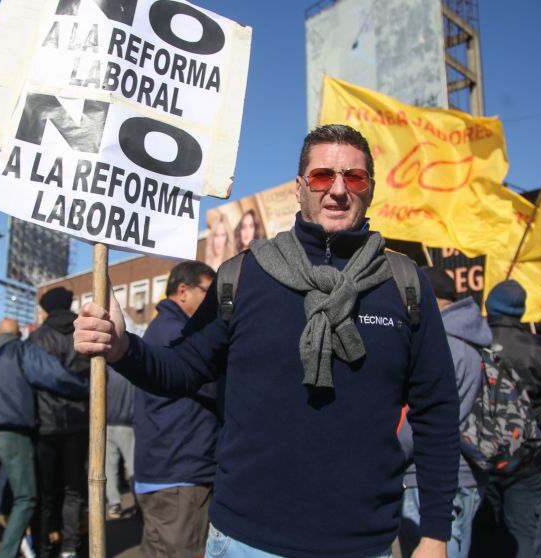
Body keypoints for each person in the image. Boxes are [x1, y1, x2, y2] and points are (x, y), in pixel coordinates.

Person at [74, 124, 459, 558]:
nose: (337, 190)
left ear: (369, 189)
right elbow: (181, 370)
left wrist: (435, 533)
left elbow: (437, 412)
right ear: (299, 188)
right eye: (321, 176)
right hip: (244, 541)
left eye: (354, 177)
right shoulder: (243, 275)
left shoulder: (404, 283)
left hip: (363, 544)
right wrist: (123, 349)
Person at [0, 318, 88, 558]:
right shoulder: (21, 350)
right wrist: (85, 386)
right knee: (26, 497)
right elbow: (54, 375)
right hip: (13, 431)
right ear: (17, 334)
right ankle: (7, 553)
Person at [399, 267, 489, 558]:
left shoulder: (444, 341)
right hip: (467, 473)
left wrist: (390, 453)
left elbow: (426, 415)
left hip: (427, 475)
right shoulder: (470, 338)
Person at [134, 260, 218, 558]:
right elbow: (214, 387)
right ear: (183, 291)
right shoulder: (180, 336)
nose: (214, 301)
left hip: (163, 470)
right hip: (181, 471)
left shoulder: (161, 329)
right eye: (208, 292)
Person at [471, 279, 541, 558]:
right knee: (524, 533)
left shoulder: (471, 341)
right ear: (521, 311)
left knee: (483, 532)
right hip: (529, 454)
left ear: (489, 306)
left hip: (480, 449)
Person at [28, 288, 92, 558]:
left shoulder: (38, 338)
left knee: (45, 492)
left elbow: (33, 378)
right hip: (79, 422)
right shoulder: (84, 332)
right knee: (74, 489)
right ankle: (70, 546)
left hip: (46, 424)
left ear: (46, 309)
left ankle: (44, 547)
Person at [105, 364, 135, 520]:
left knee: (109, 468)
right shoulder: (130, 372)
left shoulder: (106, 372)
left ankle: (114, 504)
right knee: (132, 465)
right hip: (127, 425)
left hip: (106, 423)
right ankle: (139, 501)